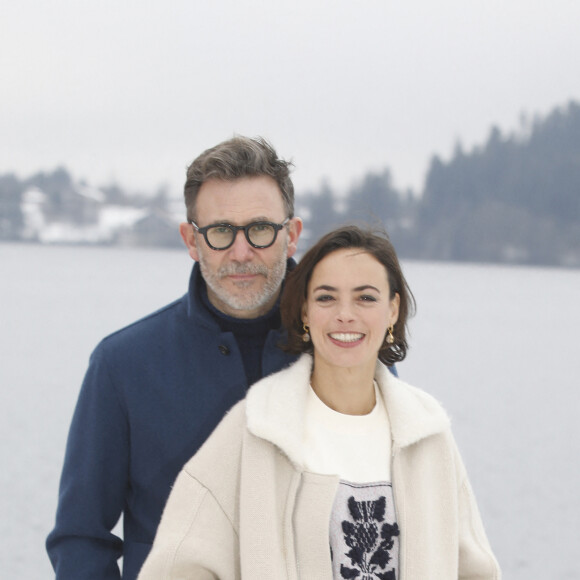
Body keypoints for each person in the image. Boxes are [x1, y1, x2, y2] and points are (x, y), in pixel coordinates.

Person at [138, 225, 501, 579]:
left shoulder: (427, 434)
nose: (345, 314)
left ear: (392, 311)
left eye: (366, 297)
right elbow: (175, 568)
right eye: (326, 297)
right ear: (305, 313)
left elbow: (475, 571)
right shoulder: (257, 427)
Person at [46, 136, 304, 579]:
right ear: (191, 239)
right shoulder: (121, 365)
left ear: (292, 235)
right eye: (221, 231)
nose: (241, 253)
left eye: (260, 229)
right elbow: (80, 537)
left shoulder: (349, 353)